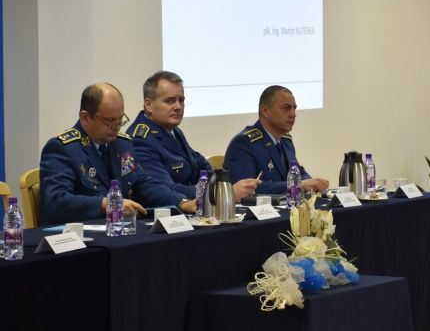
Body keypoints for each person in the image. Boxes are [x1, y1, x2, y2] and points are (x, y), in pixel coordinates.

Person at [40, 82, 196, 225]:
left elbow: (143, 184)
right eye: (110, 120)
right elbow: (56, 201)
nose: (117, 127)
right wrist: (107, 204)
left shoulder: (121, 144)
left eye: (120, 119)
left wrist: (182, 203)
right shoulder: (62, 149)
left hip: (119, 230)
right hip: (79, 234)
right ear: (85, 117)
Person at [126, 71, 259, 199]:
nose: (178, 107)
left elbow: (200, 164)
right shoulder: (140, 140)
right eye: (169, 101)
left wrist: (219, 185)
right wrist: (222, 193)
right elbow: (166, 190)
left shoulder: (173, 130)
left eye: (181, 100)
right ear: (148, 105)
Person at [224, 85, 329, 194]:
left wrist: (313, 183)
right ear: (265, 111)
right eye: (286, 108)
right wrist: (298, 185)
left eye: (294, 108)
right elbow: (248, 190)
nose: (293, 114)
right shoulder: (244, 143)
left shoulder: (286, 141)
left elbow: (298, 172)